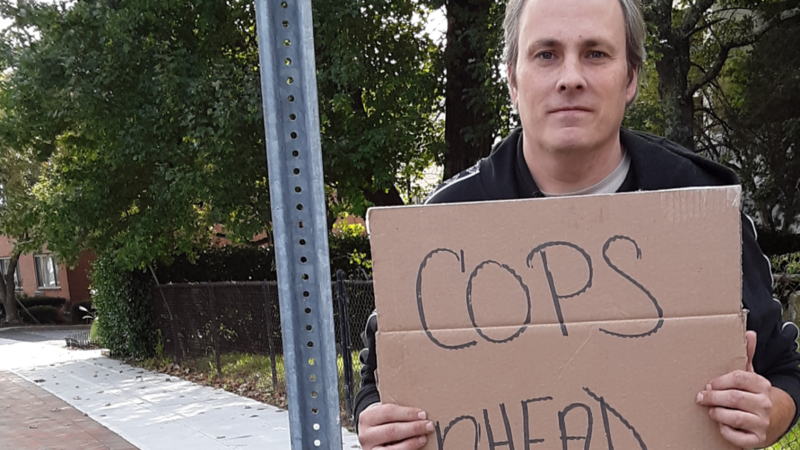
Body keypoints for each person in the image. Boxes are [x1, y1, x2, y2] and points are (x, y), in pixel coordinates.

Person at [354, 0, 800, 447]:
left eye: (595, 54)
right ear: (512, 77)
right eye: (546, 54)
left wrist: (771, 411)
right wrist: (379, 423)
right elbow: (376, 383)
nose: (571, 78)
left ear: (630, 78)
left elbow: (785, 370)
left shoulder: (701, 207)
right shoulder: (442, 224)